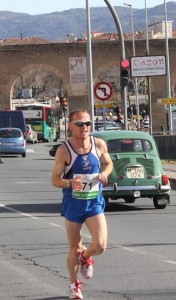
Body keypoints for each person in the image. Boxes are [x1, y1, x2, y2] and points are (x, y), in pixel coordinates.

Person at [51, 109, 113, 299]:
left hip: (94, 201)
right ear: (70, 127)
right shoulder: (64, 150)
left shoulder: (99, 144)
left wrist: (105, 174)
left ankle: (86, 257)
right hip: (73, 203)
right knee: (74, 248)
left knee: (101, 246)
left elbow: (109, 164)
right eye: (79, 124)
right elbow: (55, 179)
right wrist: (70, 183)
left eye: (87, 124)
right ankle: (74, 285)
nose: (84, 127)